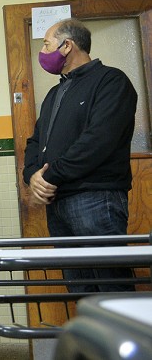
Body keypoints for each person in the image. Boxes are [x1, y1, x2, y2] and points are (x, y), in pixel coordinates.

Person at [23, 18, 138, 293]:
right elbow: (35, 141)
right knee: (81, 290)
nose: (43, 51)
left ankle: (124, 338)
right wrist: (32, 177)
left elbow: (98, 142)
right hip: (57, 201)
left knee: (113, 291)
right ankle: (88, 338)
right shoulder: (55, 92)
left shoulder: (111, 81)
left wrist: (48, 176)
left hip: (96, 199)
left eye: (47, 44)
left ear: (67, 46)